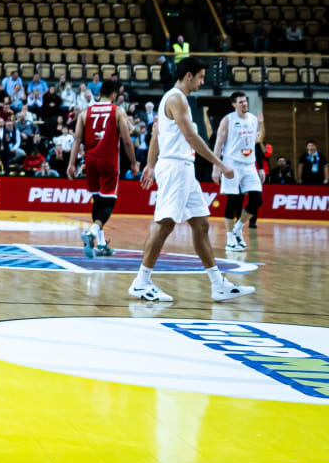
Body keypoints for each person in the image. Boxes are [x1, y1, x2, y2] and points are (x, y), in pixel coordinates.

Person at [132, 58, 254, 303]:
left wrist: (150, 164)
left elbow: (156, 133)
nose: (202, 81)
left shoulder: (174, 99)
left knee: (200, 225)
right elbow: (191, 137)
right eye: (200, 77)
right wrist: (219, 163)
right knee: (165, 224)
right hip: (176, 167)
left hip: (183, 168)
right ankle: (141, 282)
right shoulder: (176, 98)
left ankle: (218, 284)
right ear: (189, 76)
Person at [67, 80, 138, 258]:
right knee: (108, 203)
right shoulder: (117, 111)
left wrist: (71, 163)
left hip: (90, 161)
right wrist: (133, 162)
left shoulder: (85, 112)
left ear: (99, 94)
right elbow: (127, 141)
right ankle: (92, 232)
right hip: (108, 160)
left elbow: (76, 140)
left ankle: (102, 243)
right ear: (114, 95)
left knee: (98, 201)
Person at [213, 92, 264, 253]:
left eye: (245, 101)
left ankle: (237, 228)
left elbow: (256, 141)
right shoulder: (228, 120)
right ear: (233, 104)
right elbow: (219, 143)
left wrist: (260, 166)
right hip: (232, 164)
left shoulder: (253, 119)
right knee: (233, 201)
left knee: (257, 200)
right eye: (241, 102)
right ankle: (230, 238)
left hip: (249, 165)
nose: (244, 104)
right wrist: (217, 167)